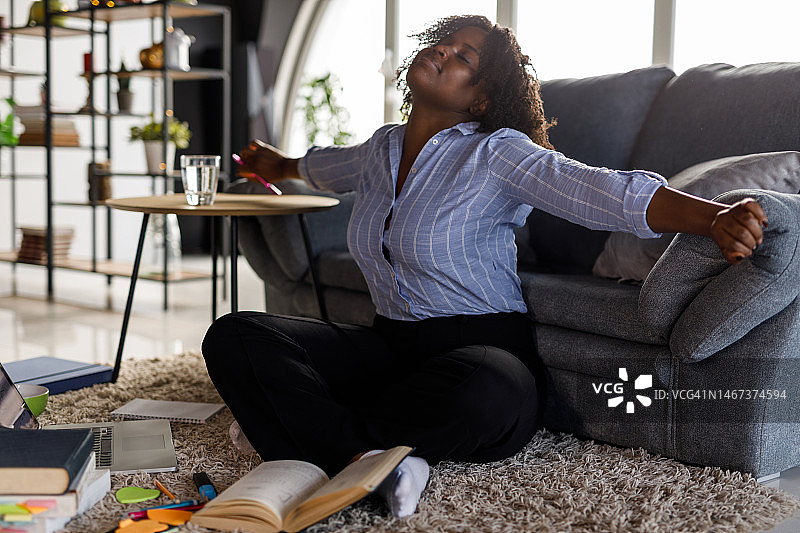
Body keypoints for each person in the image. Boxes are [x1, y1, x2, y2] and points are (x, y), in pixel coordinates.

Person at [202, 14, 767, 518]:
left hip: (478, 350)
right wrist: (275, 163)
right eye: (442, 45)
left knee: (493, 395)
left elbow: (597, 192)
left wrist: (712, 218)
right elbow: (322, 168)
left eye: (462, 58)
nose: (441, 53)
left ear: (480, 98)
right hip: (391, 347)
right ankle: (377, 456)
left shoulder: (497, 151)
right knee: (237, 336)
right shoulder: (380, 149)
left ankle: (311, 434)